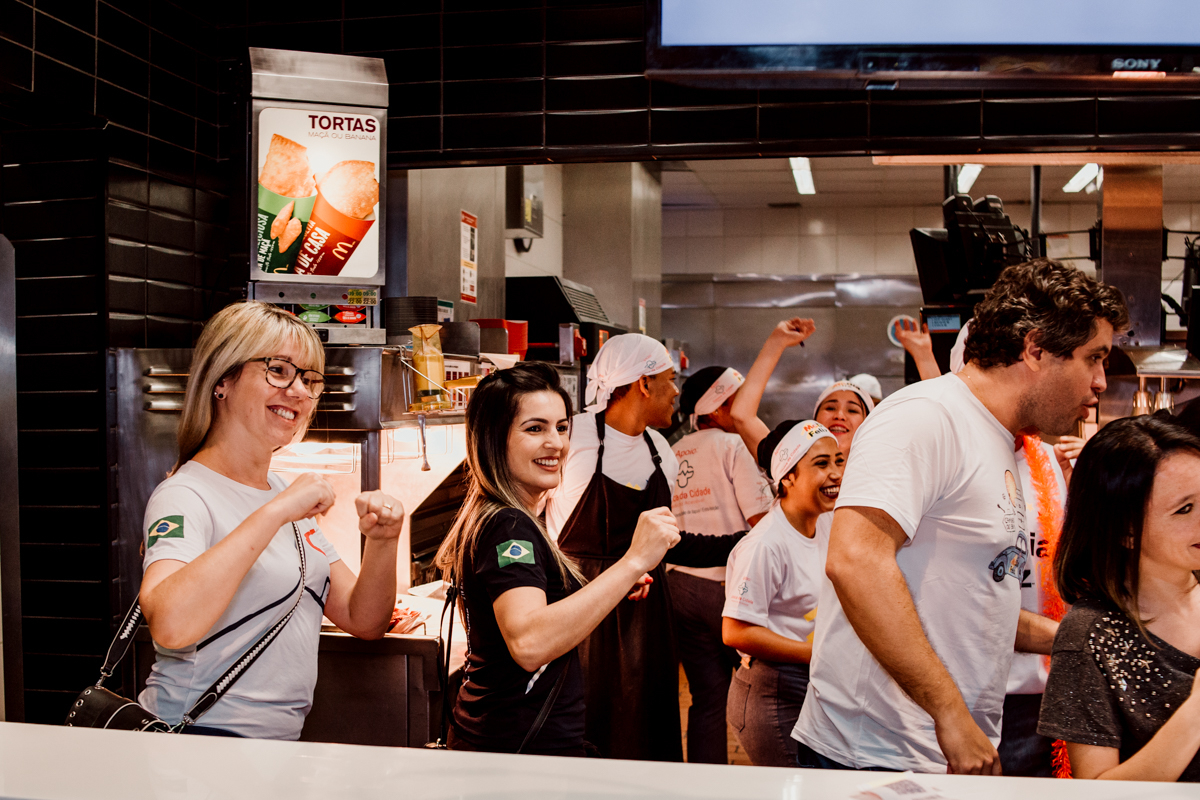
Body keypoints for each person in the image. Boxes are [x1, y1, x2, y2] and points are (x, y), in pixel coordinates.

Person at [792, 258, 1129, 774]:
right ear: (1035, 348)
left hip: (938, 749)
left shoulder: (1004, 443)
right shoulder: (926, 416)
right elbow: (855, 563)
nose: (1102, 382)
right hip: (875, 754)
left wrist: (1083, 637)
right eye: (1094, 359)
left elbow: (968, 602)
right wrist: (950, 713)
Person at [138, 301, 405, 739]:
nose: (299, 391)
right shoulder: (185, 494)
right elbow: (170, 625)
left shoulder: (282, 490)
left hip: (273, 746)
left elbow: (363, 618)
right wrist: (278, 511)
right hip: (195, 743)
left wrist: (384, 541)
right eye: (278, 370)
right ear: (222, 379)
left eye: (309, 379)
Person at [434, 363, 680, 755]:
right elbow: (529, 642)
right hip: (516, 745)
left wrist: (612, 581)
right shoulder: (508, 524)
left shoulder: (506, 514)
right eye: (535, 429)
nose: (556, 444)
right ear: (495, 439)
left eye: (562, 428)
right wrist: (635, 560)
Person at [546, 333, 746, 762]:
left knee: (646, 726)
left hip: (646, 614)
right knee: (586, 725)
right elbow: (536, 527)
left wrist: (745, 544)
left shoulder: (661, 452)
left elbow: (668, 544)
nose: (676, 391)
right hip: (581, 608)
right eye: (670, 379)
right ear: (643, 383)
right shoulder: (570, 438)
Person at [906, 318, 1069, 777]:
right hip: (963, 694)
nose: (1097, 381)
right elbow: (943, 591)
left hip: (1040, 689)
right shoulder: (944, 445)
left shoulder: (1043, 459)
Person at [1039, 413, 1200, 782]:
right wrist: (1195, 713)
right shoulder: (1090, 635)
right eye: (1185, 509)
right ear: (1125, 530)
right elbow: (1098, 790)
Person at [723, 420, 842, 767]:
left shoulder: (826, 523)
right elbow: (735, 631)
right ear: (787, 476)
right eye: (821, 464)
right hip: (773, 692)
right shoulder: (765, 544)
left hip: (812, 683)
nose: (835, 473)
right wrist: (816, 651)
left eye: (838, 460)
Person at [670, 366, 773, 764]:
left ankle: (704, 784)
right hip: (728, 591)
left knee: (707, 699)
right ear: (720, 405)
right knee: (764, 691)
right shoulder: (732, 446)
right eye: (739, 401)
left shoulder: (673, 450)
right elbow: (761, 525)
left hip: (679, 589)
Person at [730, 319, 874, 461]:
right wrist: (776, 342)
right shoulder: (790, 462)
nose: (839, 415)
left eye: (852, 410)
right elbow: (742, 415)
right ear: (815, 420)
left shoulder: (884, 471)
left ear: (868, 423)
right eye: (830, 408)